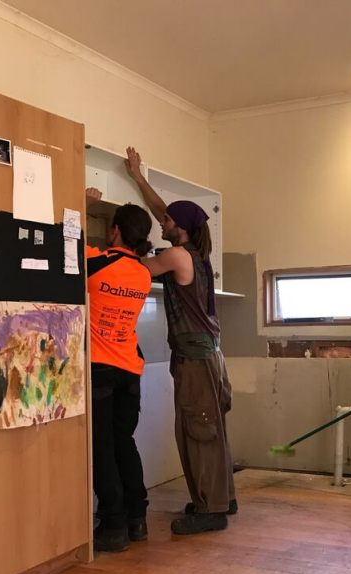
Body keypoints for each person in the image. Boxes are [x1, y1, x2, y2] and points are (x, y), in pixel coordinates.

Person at [125, 146, 237, 535]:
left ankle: (210, 510)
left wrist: (113, 252)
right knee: (211, 428)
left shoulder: (176, 257)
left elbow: (136, 269)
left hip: (195, 360)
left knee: (197, 429)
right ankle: (222, 497)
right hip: (210, 357)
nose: (163, 221)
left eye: (169, 220)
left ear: (182, 228)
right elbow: (163, 212)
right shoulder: (196, 254)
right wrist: (138, 178)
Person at [85, 187, 154, 552]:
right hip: (131, 371)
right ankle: (136, 519)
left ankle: (112, 526)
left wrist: (81, 204)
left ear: (114, 231)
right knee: (124, 444)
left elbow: (60, 242)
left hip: (100, 370)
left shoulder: (98, 262)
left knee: (102, 449)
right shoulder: (142, 274)